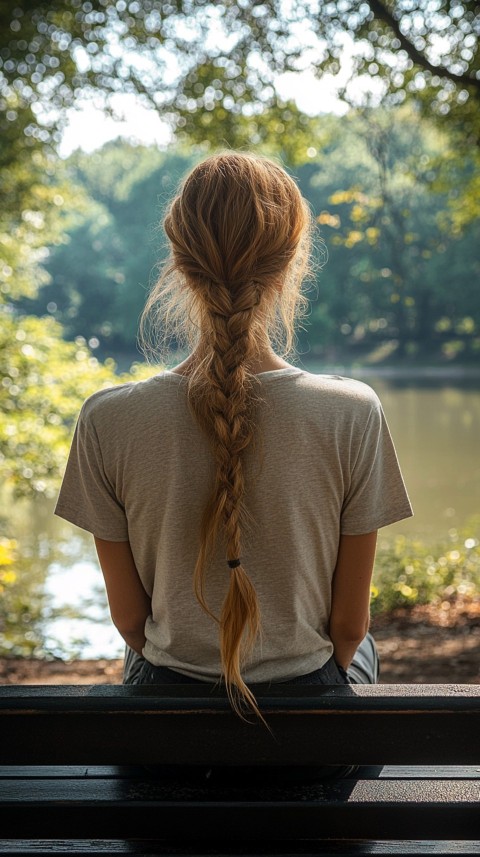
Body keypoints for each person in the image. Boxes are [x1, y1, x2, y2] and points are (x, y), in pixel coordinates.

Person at [54, 151, 413, 732]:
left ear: (177, 260)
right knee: (366, 653)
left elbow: (130, 624)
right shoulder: (352, 412)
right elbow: (349, 628)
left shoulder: (107, 419)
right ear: (293, 260)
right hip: (309, 748)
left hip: (164, 737)